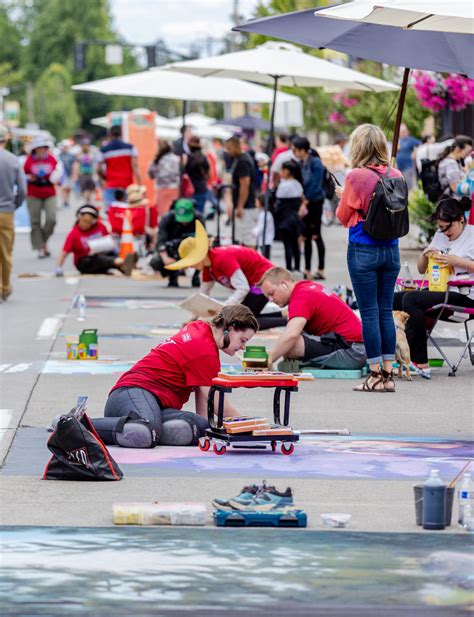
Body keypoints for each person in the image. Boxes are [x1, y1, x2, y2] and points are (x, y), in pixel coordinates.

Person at [90, 305, 259, 448]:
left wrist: (204, 426)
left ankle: (140, 429)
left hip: (146, 402)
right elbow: (217, 403)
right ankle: (74, 424)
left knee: (200, 427)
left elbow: (204, 394)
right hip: (132, 393)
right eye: (243, 340)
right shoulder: (204, 349)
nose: (243, 347)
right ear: (230, 328)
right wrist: (251, 426)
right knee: (145, 432)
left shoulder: (201, 329)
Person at [336, 124, 403, 393]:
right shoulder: (395, 173)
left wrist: (343, 195)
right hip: (392, 249)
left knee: (369, 313)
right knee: (385, 310)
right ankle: (388, 374)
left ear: (358, 147)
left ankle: (374, 374)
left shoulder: (355, 176)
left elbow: (343, 217)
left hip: (363, 248)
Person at [393, 198, 474, 379]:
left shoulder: (472, 236)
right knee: (394, 299)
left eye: (447, 227)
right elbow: (422, 269)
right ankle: (388, 355)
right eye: (441, 227)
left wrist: (458, 262)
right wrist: (425, 254)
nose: (444, 232)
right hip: (438, 291)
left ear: (461, 219)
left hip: (465, 295)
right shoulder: (439, 236)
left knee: (411, 300)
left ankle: (420, 361)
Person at [166, 221, 286, 329]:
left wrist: (225, 309)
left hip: (264, 281)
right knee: (243, 317)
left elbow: (242, 287)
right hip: (254, 284)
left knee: (240, 322)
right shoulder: (208, 268)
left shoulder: (222, 258)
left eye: (191, 262)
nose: (190, 266)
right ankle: (284, 315)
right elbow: (202, 296)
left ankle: (288, 321)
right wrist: (193, 320)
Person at [259, 267, 366, 371]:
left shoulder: (301, 297)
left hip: (352, 352)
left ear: (284, 285)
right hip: (356, 346)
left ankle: (306, 363)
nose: (271, 299)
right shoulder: (306, 287)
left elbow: (291, 335)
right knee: (288, 342)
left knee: (290, 345)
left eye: (271, 293)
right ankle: (305, 361)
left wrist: (268, 360)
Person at [55, 204, 137, 276]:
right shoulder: (74, 234)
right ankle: (122, 262)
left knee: (109, 255)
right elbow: (64, 252)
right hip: (85, 261)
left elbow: (108, 241)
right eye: (83, 221)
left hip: (102, 254)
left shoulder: (100, 227)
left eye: (88, 222)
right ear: (79, 218)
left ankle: (124, 267)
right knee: (96, 259)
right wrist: (59, 267)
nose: (85, 224)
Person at [149, 198, 204, 288]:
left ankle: (196, 276)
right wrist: (166, 258)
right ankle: (172, 276)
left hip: (192, 250)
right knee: (156, 260)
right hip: (171, 250)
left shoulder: (199, 219)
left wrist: (192, 260)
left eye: (186, 219)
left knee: (205, 253)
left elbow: (203, 241)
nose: (184, 222)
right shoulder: (167, 219)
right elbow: (161, 240)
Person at [292, 136, 326, 280]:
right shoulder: (301, 163)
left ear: (302, 150)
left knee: (316, 235)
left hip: (315, 202)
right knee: (305, 236)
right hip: (305, 201)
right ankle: (306, 269)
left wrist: (306, 199)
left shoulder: (316, 163)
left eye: (295, 149)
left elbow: (315, 184)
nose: (294, 152)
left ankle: (321, 269)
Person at [0, 127, 26, 302]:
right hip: (6, 211)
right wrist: (14, 205)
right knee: (5, 252)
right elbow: (22, 190)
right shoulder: (12, 160)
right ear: (6, 140)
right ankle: (5, 286)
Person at [23, 137, 59, 258]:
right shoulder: (29, 161)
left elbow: (58, 173)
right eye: (38, 148)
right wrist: (30, 178)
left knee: (51, 219)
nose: (41, 151)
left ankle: (42, 242)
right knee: (35, 222)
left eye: (43, 148)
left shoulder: (52, 159)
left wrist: (56, 177)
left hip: (49, 192)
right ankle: (40, 247)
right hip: (34, 193)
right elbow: (23, 175)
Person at [224, 136, 257, 247]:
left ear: (235, 146)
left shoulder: (243, 161)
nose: (227, 151)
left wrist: (240, 206)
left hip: (246, 207)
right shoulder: (239, 159)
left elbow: (245, 185)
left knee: (248, 238)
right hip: (243, 205)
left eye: (229, 148)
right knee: (242, 238)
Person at [98, 125, 142, 208]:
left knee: (111, 212)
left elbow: (99, 169)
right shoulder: (131, 148)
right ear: (121, 134)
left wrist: (104, 178)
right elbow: (135, 166)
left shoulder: (103, 150)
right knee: (127, 211)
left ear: (109, 134)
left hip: (111, 184)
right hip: (127, 185)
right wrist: (140, 185)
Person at [274, 160, 306, 272]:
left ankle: (289, 268)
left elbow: (278, 204)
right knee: (296, 245)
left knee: (287, 245)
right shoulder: (297, 184)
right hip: (296, 218)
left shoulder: (283, 186)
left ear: (287, 171)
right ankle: (297, 267)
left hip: (285, 219)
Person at [148, 140, 180, 218]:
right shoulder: (177, 159)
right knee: (174, 214)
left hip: (161, 190)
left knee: (163, 215)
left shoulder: (156, 161)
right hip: (174, 189)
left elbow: (151, 175)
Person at [184, 136, 210, 214]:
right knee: (200, 214)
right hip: (202, 187)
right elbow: (208, 174)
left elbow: (183, 172)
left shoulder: (188, 158)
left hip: (190, 189)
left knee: (190, 215)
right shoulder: (204, 158)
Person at [396, 123, 420, 191]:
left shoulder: (410, 140)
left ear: (407, 131)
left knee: (409, 186)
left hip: (408, 167)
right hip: (399, 168)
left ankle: (410, 200)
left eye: (404, 131)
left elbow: (420, 144)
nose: (403, 133)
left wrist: (415, 152)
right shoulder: (399, 140)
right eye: (401, 132)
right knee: (400, 187)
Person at [72, 138, 97, 203]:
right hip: (82, 174)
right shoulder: (79, 154)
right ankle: (85, 201)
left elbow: (95, 164)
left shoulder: (92, 154)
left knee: (91, 188)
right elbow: (76, 165)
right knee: (84, 189)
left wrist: (95, 173)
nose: (86, 146)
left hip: (90, 174)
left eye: (87, 145)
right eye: (84, 145)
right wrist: (75, 174)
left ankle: (88, 200)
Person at [253, 193, 275, 259]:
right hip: (263, 239)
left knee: (265, 258)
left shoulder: (265, 215)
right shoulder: (263, 213)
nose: (255, 202)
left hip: (265, 240)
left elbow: (260, 228)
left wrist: (253, 233)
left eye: (256, 201)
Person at [57, 139, 76, 208]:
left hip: (69, 174)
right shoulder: (59, 155)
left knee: (68, 189)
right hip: (62, 175)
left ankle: (67, 200)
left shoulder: (71, 155)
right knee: (63, 188)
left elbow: (74, 166)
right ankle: (64, 201)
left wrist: (74, 174)